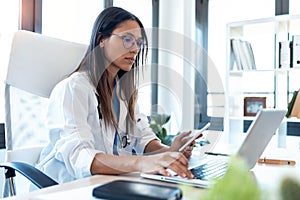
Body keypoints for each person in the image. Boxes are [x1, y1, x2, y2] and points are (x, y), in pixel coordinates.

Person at [37, 6, 199, 184]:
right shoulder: (74, 89)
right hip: (66, 187)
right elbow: (81, 157)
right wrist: (141, 163)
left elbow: (143, 140)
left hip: (110, 183)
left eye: (139, 42)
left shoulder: (124, 93)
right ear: (102, 39)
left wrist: (170, 150)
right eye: (127, 39)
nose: (135, 49)